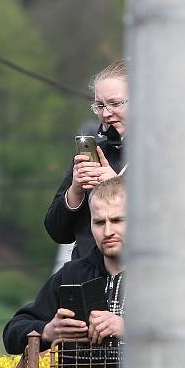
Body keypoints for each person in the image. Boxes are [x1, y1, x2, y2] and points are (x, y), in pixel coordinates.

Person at [4, 176, 127, 368]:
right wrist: (48, 332)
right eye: (99, 222)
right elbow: (13, 331)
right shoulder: (72, 275)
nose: (108, 230)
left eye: (118, 221)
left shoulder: (163, 277)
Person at [45, 59, 128, 260]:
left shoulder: (161, 156)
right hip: (84, 279)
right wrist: (76, 190)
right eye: (100, 106)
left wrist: (117, 186)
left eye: (115, 104)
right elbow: (57, 231)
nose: (106, 114)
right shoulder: (96, 152)